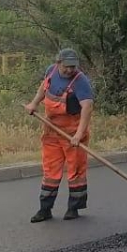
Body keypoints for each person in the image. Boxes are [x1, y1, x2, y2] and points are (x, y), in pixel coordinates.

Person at [24, 48, 94, 222]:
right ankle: (45, 209)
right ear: (58, 63)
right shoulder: (51, 71)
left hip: (72, 133)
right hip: (52, 131)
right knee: (50, 171)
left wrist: (78, 134)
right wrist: (33, 104)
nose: (70, 70)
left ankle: (73, 208)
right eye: (67, 67)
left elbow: (87, 107)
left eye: (73, 67)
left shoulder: (80, 80)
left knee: (76, 171)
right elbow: (43, 88)